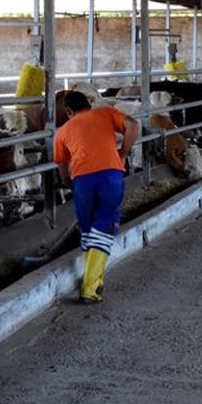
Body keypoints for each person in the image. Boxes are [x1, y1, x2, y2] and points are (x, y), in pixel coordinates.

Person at [54, 90, 140, 303]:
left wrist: (70, 184)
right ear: (90, 103)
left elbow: (63, 169)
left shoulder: (62, 132)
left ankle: (96, 279)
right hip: (110, 175)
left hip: (82, 180)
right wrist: (124, 151)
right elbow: (134, 125)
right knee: (104, 227)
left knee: (89, 228)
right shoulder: (106, 113)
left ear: (68, 111)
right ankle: (89, 288)